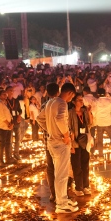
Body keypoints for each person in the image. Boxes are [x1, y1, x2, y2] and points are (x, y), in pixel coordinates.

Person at [37, 83, 78, 213]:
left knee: (58, 173)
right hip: (60, 143)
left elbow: (39, 118)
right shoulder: (62, 103)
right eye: (72, 96)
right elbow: (60, 119)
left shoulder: (50, 102)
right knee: (62, 174)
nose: (71, 99)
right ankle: (61, 204)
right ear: (70, 93)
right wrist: (66, 135)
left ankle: (63, 200)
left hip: (51, 141)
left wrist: (50, 129)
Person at [68, 94, 92, 196]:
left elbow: (90, 124)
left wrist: (89, 112)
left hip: (85, 141)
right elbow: (68, 127)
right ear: (73, 102)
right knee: (77, 165)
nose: (81, 102)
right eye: (79, 100)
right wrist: (71, 144)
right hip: (75, 142)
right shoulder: (70, 113)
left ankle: (86, 186)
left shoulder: (84, 112)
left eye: (82, 100)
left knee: (85, 165)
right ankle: (78, 187)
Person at [92, 88, 111, 154]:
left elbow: (93, 112)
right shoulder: (110, 102)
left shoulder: (95, 102)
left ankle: (100, 155)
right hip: (108, 123)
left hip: (99, 123)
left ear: (98, 94)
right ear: (105, 93)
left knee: (100, 141)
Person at [0, 90, 14, 166]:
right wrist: (8, 124)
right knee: (2, 144)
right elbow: (1, 116)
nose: (5, 96)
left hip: (8, 126)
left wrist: (11, 123)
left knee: (8, 143)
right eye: (3, 95)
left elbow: (9, 114)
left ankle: (8, 158)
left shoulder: (6, 103)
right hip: (3, 127)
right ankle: (1, 160)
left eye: (5, 95)